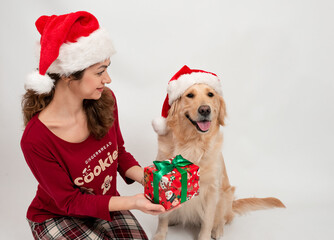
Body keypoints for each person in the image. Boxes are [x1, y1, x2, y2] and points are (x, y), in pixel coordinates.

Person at [21, 11, 165, 240]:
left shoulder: (105, 101)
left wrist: (150, 179)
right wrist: (133, 202)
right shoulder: (36, 139)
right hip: (57, 214)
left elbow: (119, 154)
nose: (107, 79)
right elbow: (70, 201)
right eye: (100, 71)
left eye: (107, 68)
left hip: (103, 205)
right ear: (68, 76)